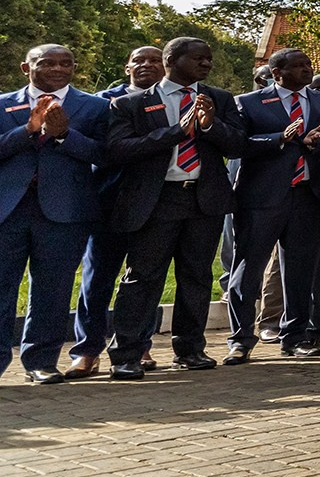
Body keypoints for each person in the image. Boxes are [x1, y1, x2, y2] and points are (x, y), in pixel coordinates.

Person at [101, 36, 248, 378]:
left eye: (209, 59)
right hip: (156, 200)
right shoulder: (131, 104)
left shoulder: (219, 100)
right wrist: (174, 133)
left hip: (203, 199)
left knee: (196, 276)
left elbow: (239, 145)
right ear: (172, 60)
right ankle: (127, 354)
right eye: (199, 58)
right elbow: (118, 150)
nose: (207, 64)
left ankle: (190, 349)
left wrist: (211, 126)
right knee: (143, 278)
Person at [224, 48, 320, 362]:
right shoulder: (248, 102)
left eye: (308, 64)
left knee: (302, 272)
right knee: (247, 270)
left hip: (309, 195)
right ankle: (241, 339)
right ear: (276, 73)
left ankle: (295, 337)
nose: (306, 69)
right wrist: (279, 138)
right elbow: (236, 146)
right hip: (261, 198)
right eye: (298, 65)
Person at [0, 44, 108, 384]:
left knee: (53, 290)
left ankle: (41, 361)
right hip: (8, 210)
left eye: (66, 63)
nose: (58, 69)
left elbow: (106, 155)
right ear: (25, 67)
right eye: (47, 63)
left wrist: (63, 135)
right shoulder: (3, 104)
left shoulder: (94, 107)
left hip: (64, 212)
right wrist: (28, 130)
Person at [67, 45, 165, 377]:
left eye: (155, 60)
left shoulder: (174, 102)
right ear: (127, 67)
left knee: (146, 278)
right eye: (140, 60)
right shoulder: (101, 103)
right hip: (109, 201)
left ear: (166, 66)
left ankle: (141, 345)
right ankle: (87, 350)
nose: (147, 65)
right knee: (97, 279)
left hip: (155, 203)